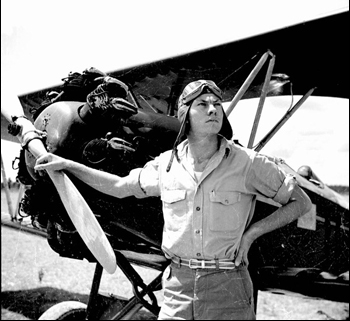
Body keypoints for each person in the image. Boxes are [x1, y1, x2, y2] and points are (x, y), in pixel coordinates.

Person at [35, 79, 312, 320]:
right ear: (185, 115)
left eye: (216, 103)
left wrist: (252, 234)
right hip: (178, 286)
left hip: (227, 286)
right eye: (202, 104)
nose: (213, 109)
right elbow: (120, 186)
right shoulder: (166, 164)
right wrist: (68, 165)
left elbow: (301, 202)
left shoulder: (248, 163)